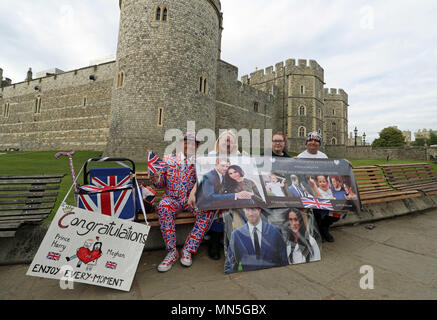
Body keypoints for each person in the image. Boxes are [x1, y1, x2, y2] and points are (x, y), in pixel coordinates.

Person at [151, 132, 216, 272]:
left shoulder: (199, 161)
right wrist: (156, 179)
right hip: (172, 199)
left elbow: (205, 179)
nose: (190, 145)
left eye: (194, 143)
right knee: (163, 207)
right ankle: (171, 252)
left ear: (197, 146)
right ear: (181, 144)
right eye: (187, 142)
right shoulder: (168, 159)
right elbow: (160, 184)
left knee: (207, 210)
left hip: (190, 200)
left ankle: (188, 249)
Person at [295, 131, 339, 242]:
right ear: (307, 142)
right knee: (315, 208)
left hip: (322, 187)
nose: (313, 142)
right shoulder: (301, 156)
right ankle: (318, 230)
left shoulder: (323, 156)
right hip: (308, 189)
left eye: (316, 140)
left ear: (319, 143)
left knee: (338, 209)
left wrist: (345, 164)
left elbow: (329, 172)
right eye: (311, 140)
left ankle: (324, 228)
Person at [225, 207, 288, 273]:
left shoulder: (275, 231)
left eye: (253, 209)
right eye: (248, 209)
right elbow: (229, 264)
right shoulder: (236, 235)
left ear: (259, 209)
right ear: (243, 209)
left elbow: (283, 261)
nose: (250, 213)